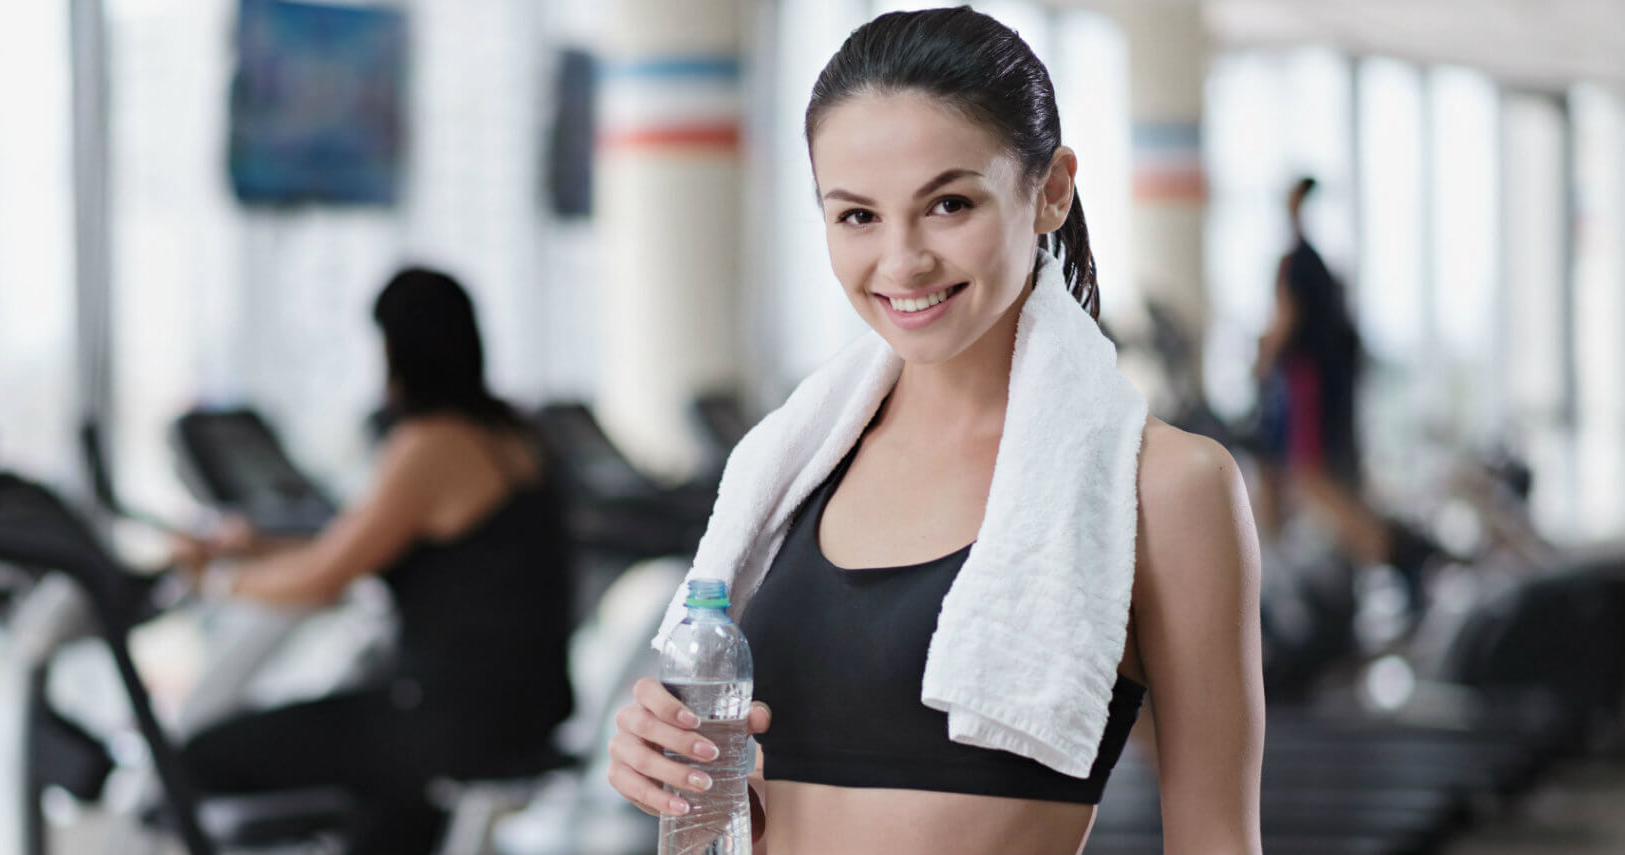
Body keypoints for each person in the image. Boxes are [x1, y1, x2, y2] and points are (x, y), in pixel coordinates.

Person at [605, 8, 1263, 854]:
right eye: (857, 216)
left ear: (1051, 189)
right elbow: (751, 802)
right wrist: (674, 767)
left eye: (948, 204)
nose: (902, 260)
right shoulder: (787, 473)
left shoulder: (1165, 487)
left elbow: (1215, 837)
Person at [173, 267, 575, 853]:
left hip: (449, 720)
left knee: (194, 760)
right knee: (375, 787)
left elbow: (324, 577)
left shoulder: (432, 444)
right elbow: (377, 547)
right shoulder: (513, 435)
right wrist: (257, 549)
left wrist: (215, 580)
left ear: (396, 351)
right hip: (520, 709)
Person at [1254, 177, 1434, 611]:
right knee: (1277, 480)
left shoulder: (1299, 261)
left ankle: (1396, 556)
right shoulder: (1316, 262)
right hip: (1318, 383)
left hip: (1305, 382)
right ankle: (1271, 586)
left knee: (1309, 480)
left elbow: (1286, 319)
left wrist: (1261, 361)